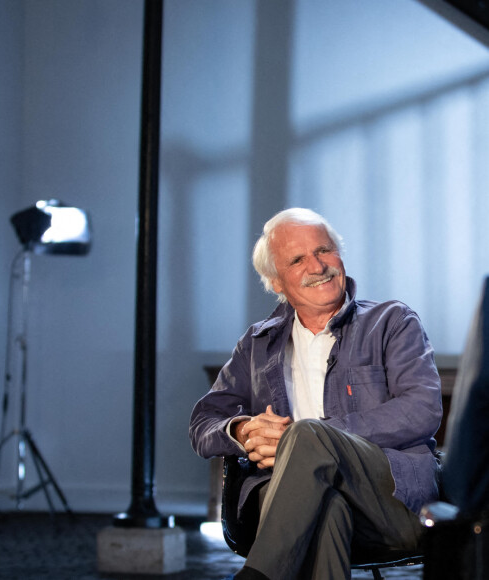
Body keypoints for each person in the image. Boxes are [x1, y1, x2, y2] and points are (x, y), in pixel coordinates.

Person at [189, 208, 442, 580]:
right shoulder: (257, 344)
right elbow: (202, 423)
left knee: (307, 435)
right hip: (287, 500)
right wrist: (243, 430)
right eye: (297, 259)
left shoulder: (392, 321)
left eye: (324, 250)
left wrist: (310, 438)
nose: (317, 265)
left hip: (391, 501)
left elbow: (421, 410)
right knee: (327, 509)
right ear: (275, 281)